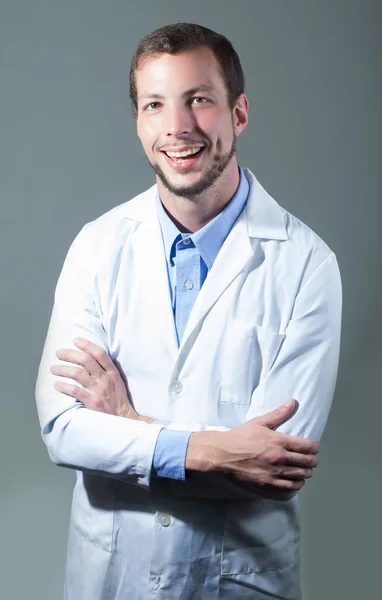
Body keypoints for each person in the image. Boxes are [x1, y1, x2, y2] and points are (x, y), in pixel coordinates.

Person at [35, 22, 342, 600]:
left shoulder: (307, 263)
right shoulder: (97, 246)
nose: (177, 127)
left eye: (198, 99)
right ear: (138, 122)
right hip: (111, 578)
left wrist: (127, 427)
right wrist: (211, 450)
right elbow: (63, 430)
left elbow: (276, 470)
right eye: (155, 104)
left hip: (236, 582)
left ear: (239, 112)